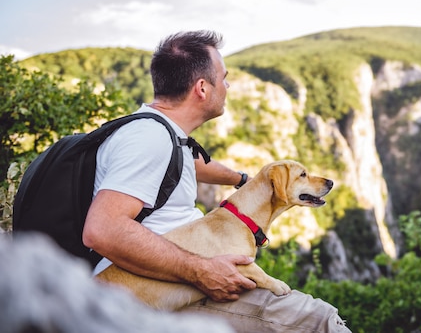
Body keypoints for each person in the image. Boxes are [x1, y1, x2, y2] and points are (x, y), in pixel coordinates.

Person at [82, 30, 351, 332]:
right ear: (202, 88)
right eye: (223, 77)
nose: (228, 85)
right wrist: (201, 271)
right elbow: (101, 230)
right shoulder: (149, 139)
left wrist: (244, 180)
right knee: (319, 320)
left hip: (170, 281)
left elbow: (192, 164)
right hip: (151, 292)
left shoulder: (164, 133)